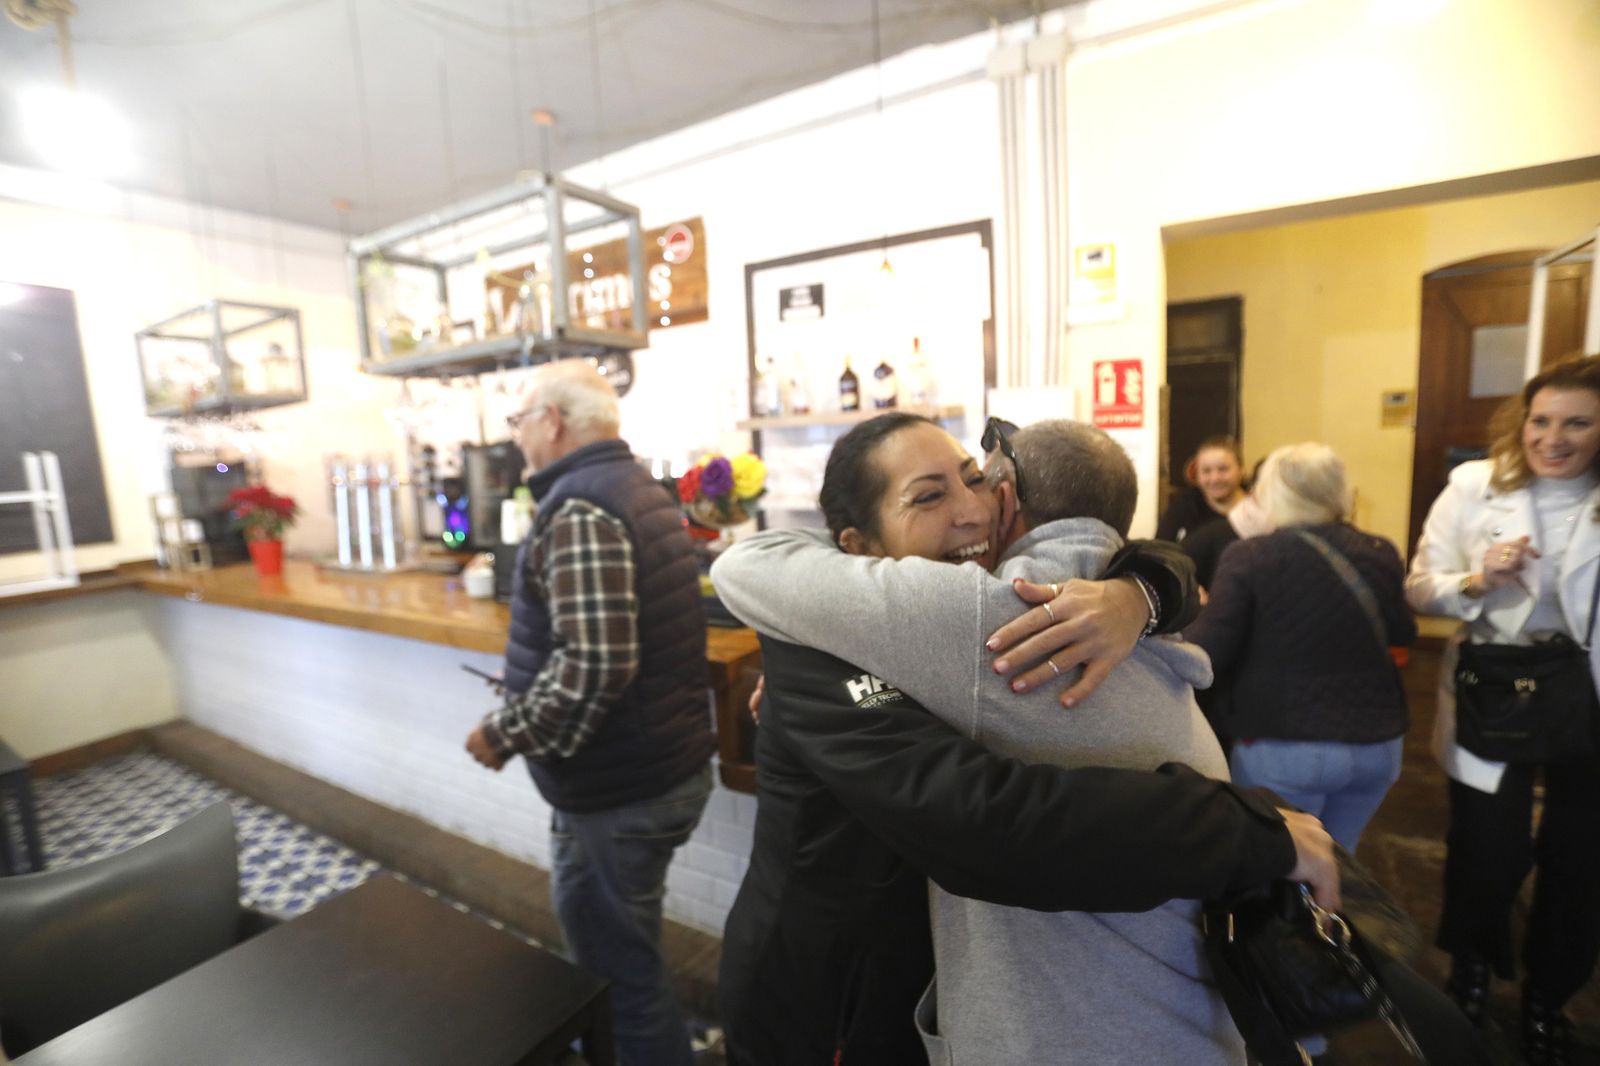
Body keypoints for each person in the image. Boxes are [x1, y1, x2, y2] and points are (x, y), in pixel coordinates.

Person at [712, 413, 1338, 1065]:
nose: (974, 511)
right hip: (820, 986)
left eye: (975, 479)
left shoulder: (1009, 615)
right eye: (928, 496)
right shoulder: (826, 650)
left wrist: (1142, 592)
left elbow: (1135, 549)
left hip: (914, 973)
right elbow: (993, 820)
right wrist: (1251, 831)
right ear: (859, 548)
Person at [463, 360, 715, 1066]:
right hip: (657, 765)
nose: (515, 439)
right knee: (628, 954)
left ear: (552, 421)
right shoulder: (636, 487)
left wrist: (505, 731)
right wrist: (525, 684)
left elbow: (597, 664)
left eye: (517, 422)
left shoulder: (580, 507)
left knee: (615, 976)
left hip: (617, 789)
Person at [1405, 354, 1600, 1066]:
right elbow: (1421, 589)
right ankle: (1473, 970)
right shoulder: (1473, 487)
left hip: (1590, 697)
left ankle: (1550, 998)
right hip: (1499, 689)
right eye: (1540, 421)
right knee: (1489, 848)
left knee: (1579, 860)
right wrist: (1477, 579)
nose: (1554, 437)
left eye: (1577, 422)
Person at [1184, 443, 1416, 855]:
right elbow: (1403, 630)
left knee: (1275, 871)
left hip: (1286, 743)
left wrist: (1201, 611)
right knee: (1340, 865)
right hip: (1377, 745)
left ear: (1269, 492)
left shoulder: (1251, 555)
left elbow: (1208, 652)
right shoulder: (1379, 550)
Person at [1180, 458, 1272, 590]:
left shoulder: (1305, 537)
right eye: (1206, 470)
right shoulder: (1218, 533)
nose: (1215, 478)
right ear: (1253, 491)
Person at [1158, 435, 1247, 542]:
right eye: (1206, 471)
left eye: (1223, 469)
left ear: (1241, 469)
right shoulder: (1183, 509)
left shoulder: (1258, 509)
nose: (1215, 479)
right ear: (1197, 474)